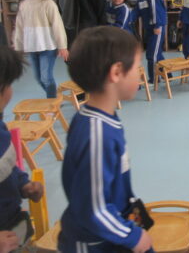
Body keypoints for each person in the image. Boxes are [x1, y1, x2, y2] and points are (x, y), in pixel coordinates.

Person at [58, 27, 153, 253]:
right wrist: (131, 236)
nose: (140, 73)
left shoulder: (97, 118)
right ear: (116, 72)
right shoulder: (97, 133)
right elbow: (93, 208)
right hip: (94, 242)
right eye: (137, 67)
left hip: (110, 230)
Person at [0, 47, 44, 249]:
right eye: (8, 84)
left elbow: (7, 167)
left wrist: (23, 184)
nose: (11, 91)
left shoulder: (2, 130)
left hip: (13, 225)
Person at [14, 0, 68, 98]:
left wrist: (62, 46)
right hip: (32, 47)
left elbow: (58, 26)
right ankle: (54, 96)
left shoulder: (48, 4)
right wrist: (18, 46)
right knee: (39, 78)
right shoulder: (23, 5)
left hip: (47, 47)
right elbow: (19, 27)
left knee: (46, 78)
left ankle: (52, 102)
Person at [132, 0, 166, 84]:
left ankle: (154, 79)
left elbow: (156, 11)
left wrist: (157, 25)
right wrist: (129, 19)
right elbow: (137, 10)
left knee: (152, 54)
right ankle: (167, 74)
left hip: (157, 28)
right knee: (156, 53)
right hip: (149, 28)